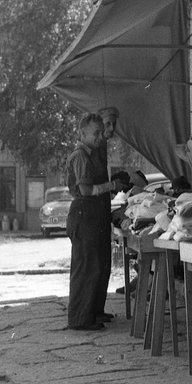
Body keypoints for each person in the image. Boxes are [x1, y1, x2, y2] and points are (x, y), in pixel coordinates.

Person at [66, 113, 120, 331]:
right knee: (87, 267)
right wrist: (112, 185)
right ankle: (80, 318)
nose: (101, 136)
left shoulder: (94, 152)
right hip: (84, 213)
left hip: (95, 214)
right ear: (82, 133)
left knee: (99, 265)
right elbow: (86, 189)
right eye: (96, 133)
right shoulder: (80, 155)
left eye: (102, 131)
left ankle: (94, 311)